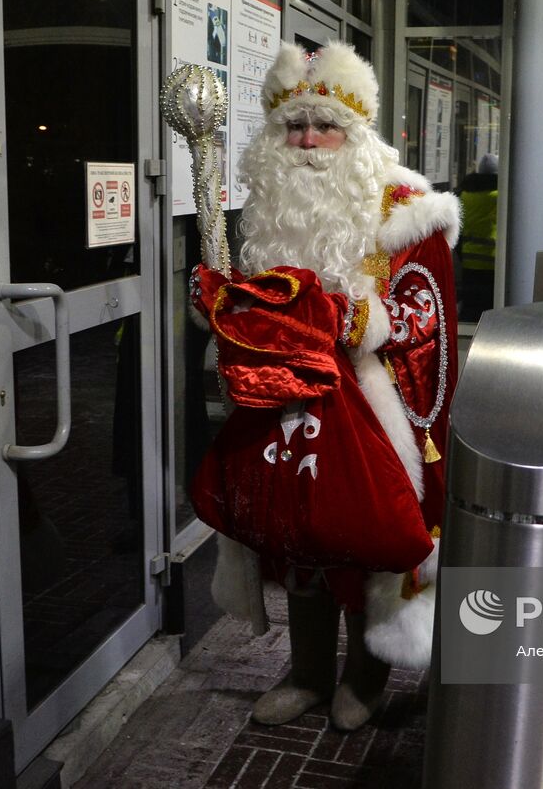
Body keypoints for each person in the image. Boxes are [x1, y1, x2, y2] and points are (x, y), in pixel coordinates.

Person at [192, 42, 459, 731]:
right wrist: (227, 312)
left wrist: (360, 319)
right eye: (294, 127)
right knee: (292, 540)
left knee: (363, 541)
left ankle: (364, 678)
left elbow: (428, 310)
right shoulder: (268, 203)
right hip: (283, 398)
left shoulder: (405, 204)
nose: (308, 142)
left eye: (325, 126)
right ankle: (307, 674)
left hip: (372, 405)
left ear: (358, 129)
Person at [457, 153, 497, 321]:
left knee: (471, 305)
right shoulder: (498, 197)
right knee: (490, 306)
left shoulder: (464, 195)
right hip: (493, 263)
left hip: (469, 262)